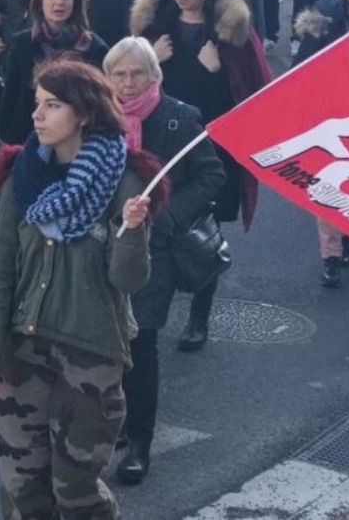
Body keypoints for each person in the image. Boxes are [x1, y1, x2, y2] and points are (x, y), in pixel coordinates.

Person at [0, 58, 161, 520]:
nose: (37, 115)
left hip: (90, 351)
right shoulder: (20, 175)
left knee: (75, 491)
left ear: (83, 114)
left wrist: (132, 229)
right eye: (37, 103)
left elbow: (129, 280)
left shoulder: (124, 179)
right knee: (21, 486)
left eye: (52, 105)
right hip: (23, 349)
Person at [130, 0, 271, 351]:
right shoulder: (157, 24)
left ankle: (199, 316)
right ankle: (147, 317)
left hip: (210, 146)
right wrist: (151, 60)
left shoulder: (230, 31)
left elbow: (255, 91)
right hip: (160, 142)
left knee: (202, 230)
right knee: (153, 226)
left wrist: (219, 70)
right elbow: (126, 80)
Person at [102, 36, 225, 483]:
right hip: (105, 243)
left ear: (154, 75)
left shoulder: (180, 117)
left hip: (155, 248)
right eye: (119, 74)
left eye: (137, 73)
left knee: (141, 343)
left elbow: (212, 175)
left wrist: (166, 215)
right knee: (108, 340)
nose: (128, 83)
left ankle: (140, 442)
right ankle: (116, 419)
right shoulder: (99, 118)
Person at [293, 0, 349, 288]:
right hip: (335, 113)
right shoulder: (329, 20)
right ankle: (331, 255)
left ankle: (347, 235)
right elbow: (304, 70)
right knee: (331, 183)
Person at [0, 0, 108, 144]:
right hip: (28, 137)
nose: (59, 2)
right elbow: (10, 99)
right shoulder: (23, 44)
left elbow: (100, 104)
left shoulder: (94, 47)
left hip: (78, 139)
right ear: (40, 0)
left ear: (75, 2)